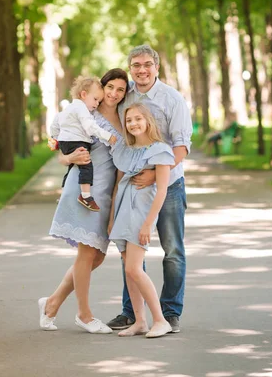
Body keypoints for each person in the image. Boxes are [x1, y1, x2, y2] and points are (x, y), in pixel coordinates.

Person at [107, 44, 193, 334]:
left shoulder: (173, 99)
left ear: (157, 67)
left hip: (167, 185)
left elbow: (181, 147)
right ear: (130, 68)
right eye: (136, 65)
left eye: (147, 64)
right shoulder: (124, 95)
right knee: (130, 250)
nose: (141, 70)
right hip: (134, 188)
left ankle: (169, 312)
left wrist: (154, 176)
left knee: (172, 250)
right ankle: (133, 313)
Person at [38, 68, 128, 334]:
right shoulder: (87, 113)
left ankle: (51, 303)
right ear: (100, 88)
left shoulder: (125, 118)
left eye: (120, 89)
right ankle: (84, 315)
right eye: (109, 87)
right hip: (84, 191)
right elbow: (60, 147)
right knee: (87, 254)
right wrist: (68, 158)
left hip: (107, 194)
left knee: (96, 257)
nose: (113, 93)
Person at [108, 103, 175, 338]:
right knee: (128, 270)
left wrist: (148, 223)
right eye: (129, 120)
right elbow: (117, 187)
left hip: (140, 215)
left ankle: (160, 320)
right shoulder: (125, 150)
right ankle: (140, 321)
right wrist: (111, 218)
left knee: (135, 268)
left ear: (148, 121)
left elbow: (163, 190)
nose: (133, 124)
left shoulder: (160, 150)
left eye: (138, 119)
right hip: (122, 213)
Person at [49, 76, 117, 211]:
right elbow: (90, 127)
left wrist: (57, 139)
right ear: (84, 94)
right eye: (95, 99)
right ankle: (86, 196)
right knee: (86, 166)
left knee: (71, 170)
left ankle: (64, 193)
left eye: (99, 101)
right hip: (77, 141)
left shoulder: (68, 108)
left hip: (66, 142)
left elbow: (54, 124)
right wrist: (107, 136)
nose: (97, 104)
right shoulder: (81, 109)